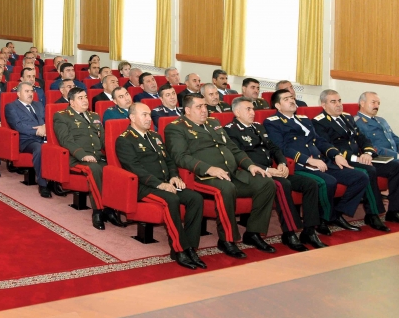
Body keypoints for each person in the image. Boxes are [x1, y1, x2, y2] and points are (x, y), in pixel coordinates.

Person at [165, 93, 277, 259]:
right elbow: (180, 157)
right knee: (226, 188)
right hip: (203, 177)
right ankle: (227, 239)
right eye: (199, 107)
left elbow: (232, 148)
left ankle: (253, 233)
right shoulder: (176, 127)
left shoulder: (213, 123)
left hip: (231, 172)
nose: (204, 110)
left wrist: (250, 165)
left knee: (266, 183)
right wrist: (209, 169)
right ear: (187, 110)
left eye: (205, 106)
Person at [223, 97, 322, 251]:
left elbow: (274, 148)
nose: (253, 112)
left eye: (253, 109)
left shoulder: (258, 127)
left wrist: (282, 163)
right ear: (237, 112)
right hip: (254, 173)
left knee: (310, 184)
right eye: (248, 109)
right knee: (283, 185)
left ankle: (309, 231)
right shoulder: (230, 130)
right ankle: (289, 233)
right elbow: (238, 158)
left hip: (273, 170)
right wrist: (268, 170)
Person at [264, 89, 369, 234]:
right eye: (286, 99)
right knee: (329, 182)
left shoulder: (304, 119)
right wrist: (307, 160)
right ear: (277, 105)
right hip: (301, 165)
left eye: (292, 98)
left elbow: (319, 141)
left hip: (321, 160)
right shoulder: (272, 122)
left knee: (360, 177)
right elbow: (282, 148)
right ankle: (323, 220)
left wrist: (335, 154)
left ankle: (335, 214)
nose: (292, 100)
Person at [116, 104, 205, 270]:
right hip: (145, 187)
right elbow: (135, 169)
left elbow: (168, 160)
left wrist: (174, 176)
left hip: (166, 182)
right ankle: (179, 249)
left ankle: (191, 248)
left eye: (149, 115)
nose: (148, 118)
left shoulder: (155, 136)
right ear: (132, 118)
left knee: (195, 198)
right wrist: (160, 184)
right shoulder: (125, 139)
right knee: (171, 200)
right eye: (144, 115)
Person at [313, 89, 396, 230]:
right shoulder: (319, 122)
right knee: (369, 170)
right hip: (341, 159)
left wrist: (368, 153)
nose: (338, 104)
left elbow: (362, 138)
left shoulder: (347, 118)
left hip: (360, 157)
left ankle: (394, 211)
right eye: (333, 102)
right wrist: (356, 157)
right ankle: (372, 214)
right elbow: (327, 146)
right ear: (323, 105)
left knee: (395, 167)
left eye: (339, 101)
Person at [53, 88, 124, 229]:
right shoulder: (62, 116)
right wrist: (82, 154)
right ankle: (98, 211)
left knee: (114, 170)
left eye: (85, 97)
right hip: (76, 157)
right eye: (80, 98)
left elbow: (104, 140)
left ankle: (110, 209)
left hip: (97, 156)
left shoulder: (94, 116)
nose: (85, 100)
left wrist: (115, 155)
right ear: (72, 102)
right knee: (95, 169)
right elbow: (65, 140)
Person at [4, 83, 50, 198]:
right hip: (26, 140)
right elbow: (17, 126)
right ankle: (43, 184)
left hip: (44, 136)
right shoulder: (11, 106)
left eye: (31, 91)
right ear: (18, 94)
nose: (30, 94)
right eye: (27, 91)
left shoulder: (38, 104)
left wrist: (45, 127)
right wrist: (37, 131)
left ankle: (56, 180)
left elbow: (47, 120)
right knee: (39, 148)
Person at [355, 91, 399, 161]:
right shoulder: (357, 123)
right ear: (362, 103)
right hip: (381, 159)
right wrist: (396, 155)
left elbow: (394, 139)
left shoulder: (381, 120)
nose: (377, 106)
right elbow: (370, 147)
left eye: (378, 103)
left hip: (394, 157)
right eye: (373, 102)